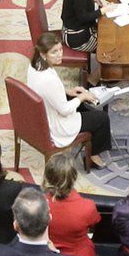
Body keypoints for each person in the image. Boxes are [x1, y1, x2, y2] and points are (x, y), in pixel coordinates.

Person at [29, 29, 112, 162]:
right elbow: (64, 110)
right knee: (102, 118)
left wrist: (68, 92)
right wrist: (81, 97)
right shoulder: (50, 81)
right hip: (57, 123)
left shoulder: (34, 65)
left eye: (60, 50)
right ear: (43, 54)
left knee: (83, 106)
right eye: (54, 52)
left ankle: (88, 126)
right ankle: (93, 155)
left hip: (46, 110)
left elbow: (49, 92)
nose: (59, 54)